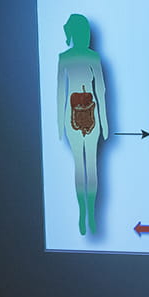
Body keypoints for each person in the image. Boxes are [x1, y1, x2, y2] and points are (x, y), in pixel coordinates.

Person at [57, 13, 109, 236]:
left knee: (90, 167)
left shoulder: (93, 57)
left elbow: (101, 90)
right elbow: (61, 91)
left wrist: (105, 122)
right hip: (73, 116)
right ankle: (82, 213)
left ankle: (91, 213)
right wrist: (60, 123)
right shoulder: (65, 57)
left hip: (92, 114)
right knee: (82, 167)